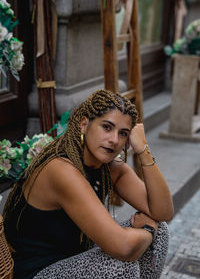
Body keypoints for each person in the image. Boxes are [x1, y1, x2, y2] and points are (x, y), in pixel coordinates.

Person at [3, 89, 174, 279]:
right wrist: (147, 230)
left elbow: (163, 212)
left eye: (123, 133)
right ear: (84, 124)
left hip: (75, 256)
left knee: (161, 233)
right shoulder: (61, 170)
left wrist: (143, 149)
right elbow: (124, 247)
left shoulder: (110, 167)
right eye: (107, 127)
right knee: (121, 266)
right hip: (38, 271)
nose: (114, 140)